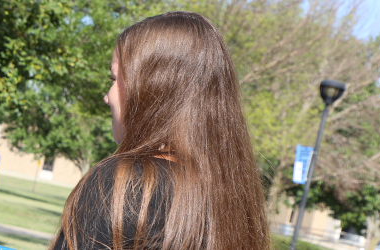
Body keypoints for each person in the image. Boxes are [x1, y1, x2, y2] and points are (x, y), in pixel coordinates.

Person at [49, 11, 269, 250]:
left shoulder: (122, 185)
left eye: (114, 79)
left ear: (149, 89)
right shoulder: (233, 200)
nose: (107, 97)